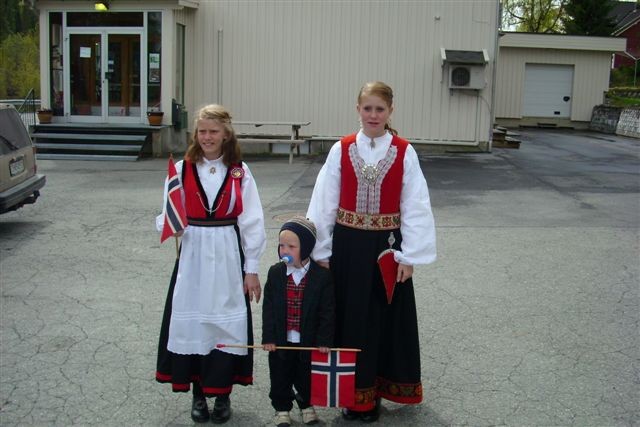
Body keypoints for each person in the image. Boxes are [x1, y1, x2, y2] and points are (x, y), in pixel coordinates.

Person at [306, 81, 436, 422]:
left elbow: (416, 204)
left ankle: (377, 390)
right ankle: (355, 396)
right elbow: (324, 200)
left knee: (382, 321)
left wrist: (410, 256)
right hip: (347, 248)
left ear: (390, 111)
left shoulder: (405, 151)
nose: (373, 115)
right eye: (368, 108)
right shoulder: (342, 148)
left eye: (380, 109)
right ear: (358, 109)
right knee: (351, 319)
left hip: (387, 251)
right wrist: (320, 249)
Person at [155, 104, 266, 424]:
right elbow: (169, 212)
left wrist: (252, 268)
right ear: (195, 133)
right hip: (193, 258)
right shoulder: (181, 169)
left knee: (224, 324)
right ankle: (199, 394)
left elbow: (252, 222)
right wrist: (169, 224)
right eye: (202, 131)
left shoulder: (240, 171)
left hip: (228, 256)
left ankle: (223, 395)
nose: (207, 137)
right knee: (196, 324)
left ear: (226, 133)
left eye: (213, 131)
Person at [262, 217, 335, 427]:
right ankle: (282, 408)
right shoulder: (276, 274)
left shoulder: (321, 277)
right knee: (280, 374)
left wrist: (324, 340)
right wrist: (269, 337)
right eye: (281, 245)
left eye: (292, 246)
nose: (285, 250)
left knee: (306, 375)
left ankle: (306, 405)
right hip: (281, 339)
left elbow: (327, 312)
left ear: (306, 248)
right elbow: (268, 309)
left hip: (308, 339)